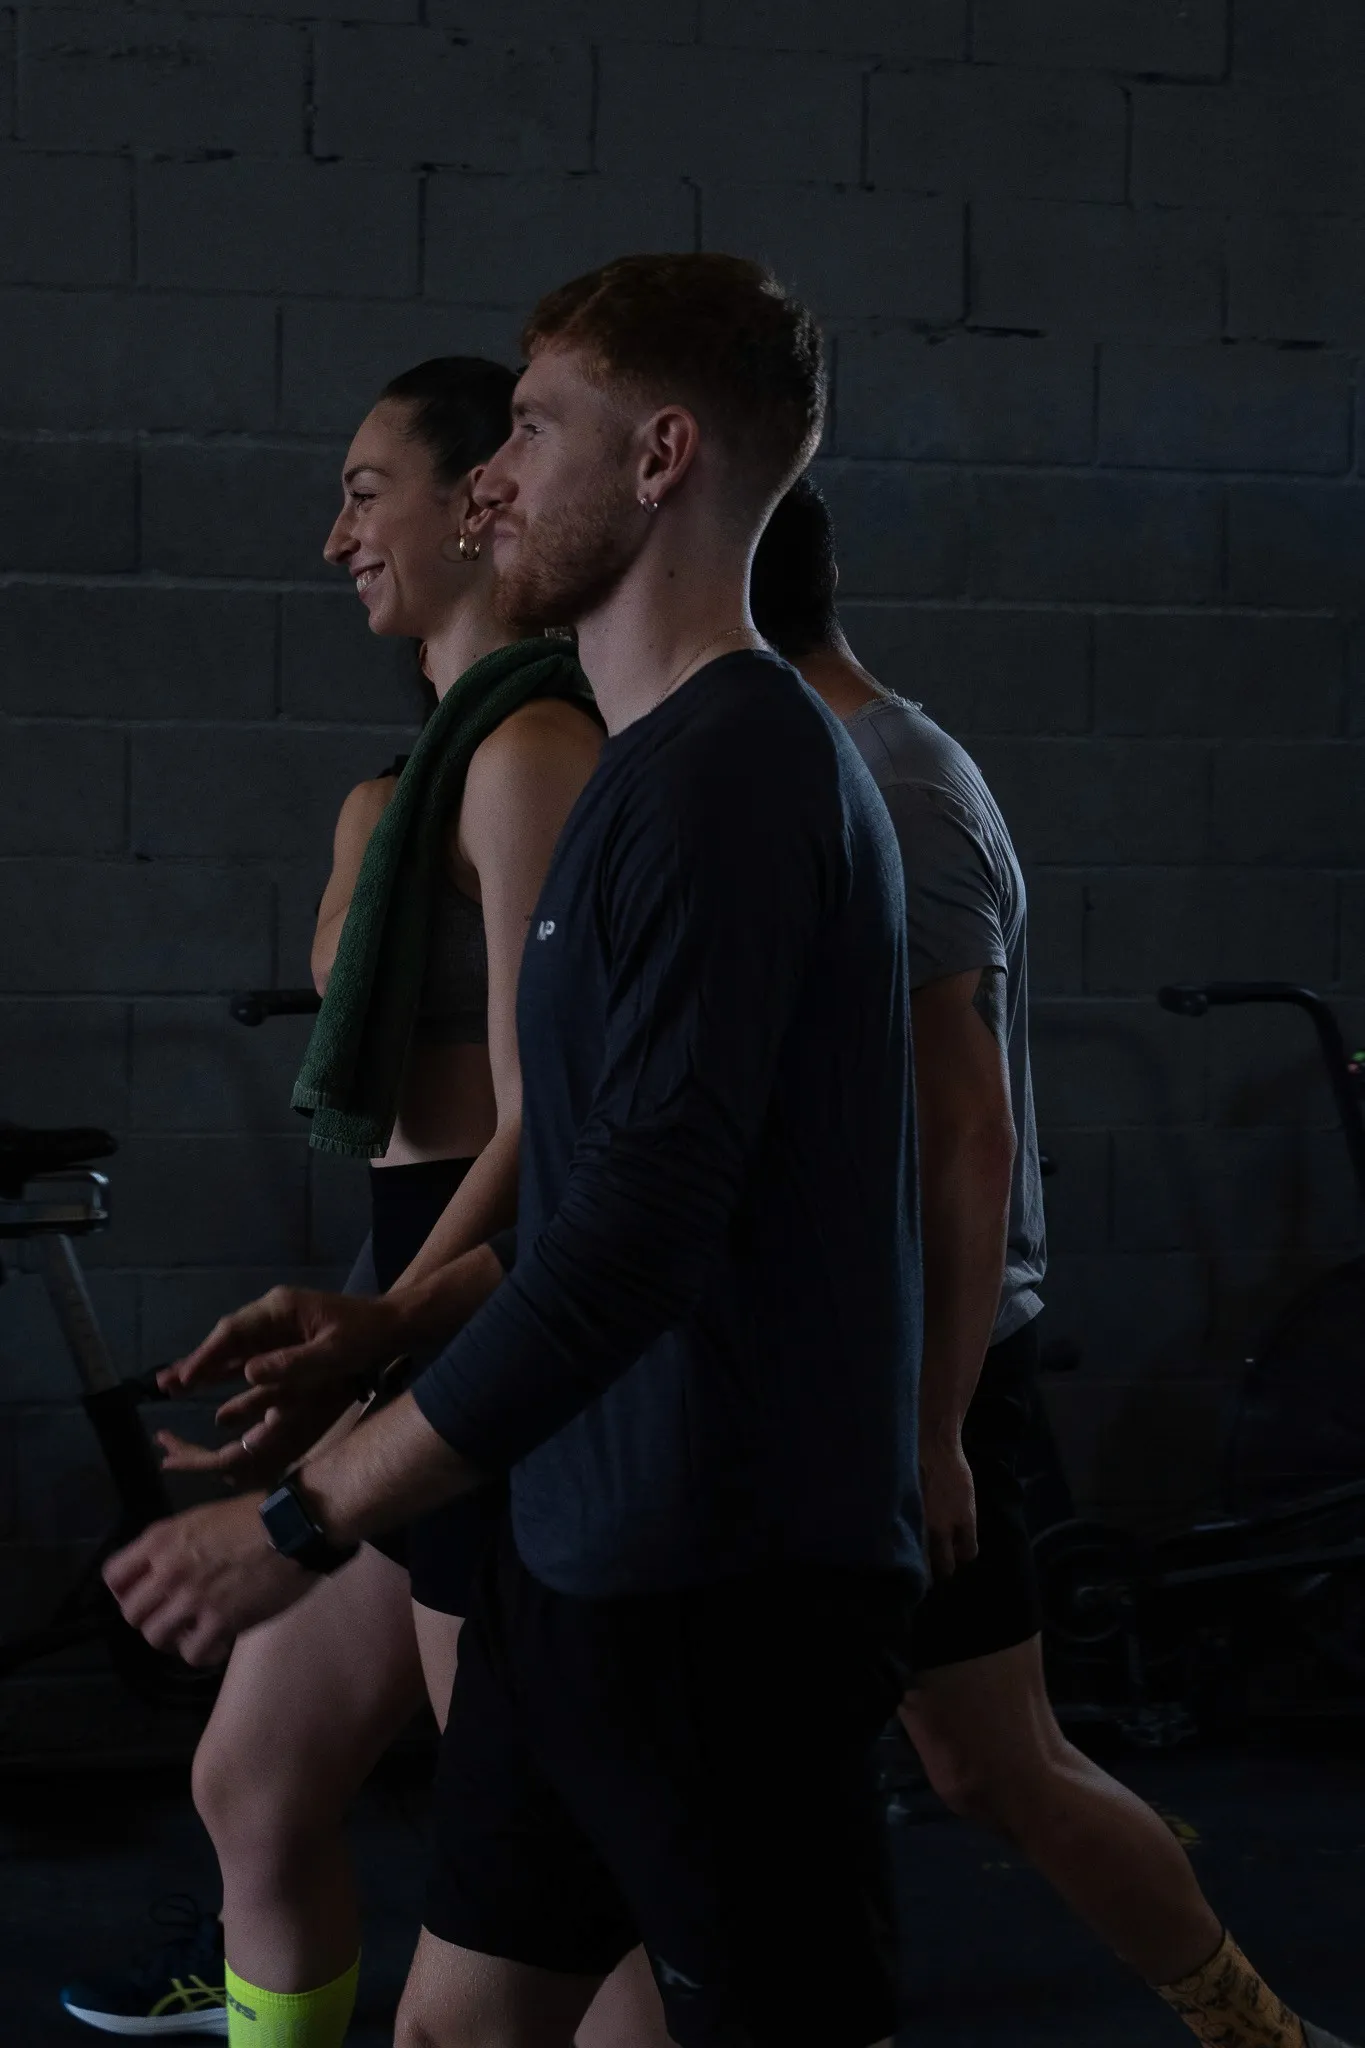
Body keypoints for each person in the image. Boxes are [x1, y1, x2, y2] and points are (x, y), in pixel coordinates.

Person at [104, 252, 924, 2048]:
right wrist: (388, 1326)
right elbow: (582, 1176)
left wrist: (310, 1517)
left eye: (535, 429)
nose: (494, 478)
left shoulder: (735, 779)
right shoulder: (640, 772)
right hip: (585, 1564)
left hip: (729, 1600)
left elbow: (638, 1231)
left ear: (661, 459)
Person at [60, 355, 627, 2048]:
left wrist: (395, 1345)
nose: (334, 537)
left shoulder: (534, 750)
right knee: (251, 1776)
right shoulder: (398, 791)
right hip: (409, 1312)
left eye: (364, 490)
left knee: (542, 1879)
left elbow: (549, 1135)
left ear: (475, 504)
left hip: (489, 1326)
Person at [746, 475, 1355, 2048]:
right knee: (871, 1765)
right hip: (830, 1366)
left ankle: (1261, 2031)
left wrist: (937, 1424)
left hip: (925, 1371)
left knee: (997, 1767)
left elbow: (971, 1139)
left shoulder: (898, 779)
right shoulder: (790, 763)